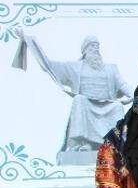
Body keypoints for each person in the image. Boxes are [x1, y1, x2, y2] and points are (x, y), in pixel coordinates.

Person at [14, 33, 132, 161]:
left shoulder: (111, 68)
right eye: (92, 46)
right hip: (86, 104)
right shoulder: (74, 68)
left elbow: (123, 84)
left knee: (118, 106)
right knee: (79, 99)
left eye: (97, 45)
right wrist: (30, 41)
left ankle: (114, 144)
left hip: (108, 104)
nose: (95, 48)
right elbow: (49, 65)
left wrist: (134, 95)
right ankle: (84, 143)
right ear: (85, 50)